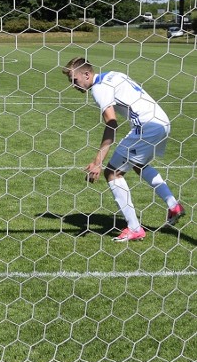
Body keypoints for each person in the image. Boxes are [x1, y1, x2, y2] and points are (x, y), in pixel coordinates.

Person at [62, 57, 184, 241]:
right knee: (138, 165)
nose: (73, 85)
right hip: (162, 121)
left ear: (86, 74)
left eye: (74, 80)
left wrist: (98, 161)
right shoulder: (113, 74)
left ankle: (134, 228)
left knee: (112, 172)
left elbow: (112, 124)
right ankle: (173, 205)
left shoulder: (99, 88)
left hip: (146, 127)